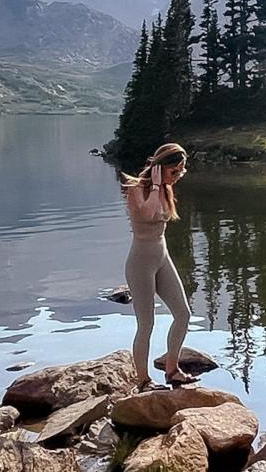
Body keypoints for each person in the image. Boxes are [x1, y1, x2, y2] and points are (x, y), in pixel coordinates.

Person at [121, 142, 194, 390]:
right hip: (141, 262)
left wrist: (161, 185)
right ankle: (142, 380)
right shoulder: (135, 189)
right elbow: (147, 215)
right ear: (159, 168)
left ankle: (172, 369)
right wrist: (153, 185)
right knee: (146, 323)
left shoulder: (166, 189)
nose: (178, 176)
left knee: (183, 314)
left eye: (181, 172)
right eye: (174, 171)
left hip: (162, 257)